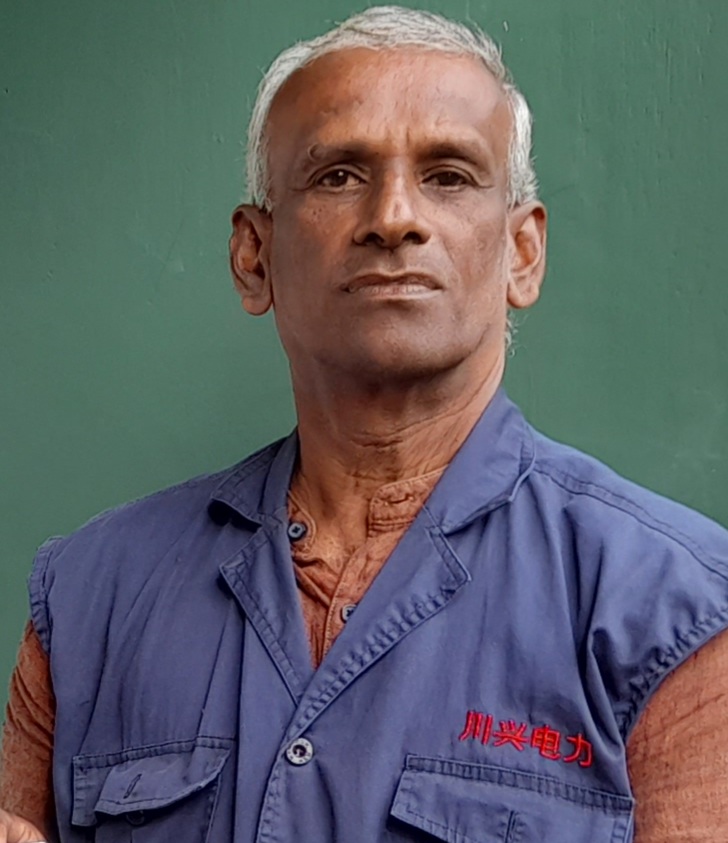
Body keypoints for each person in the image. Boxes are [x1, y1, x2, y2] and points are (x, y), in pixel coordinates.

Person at [1, 6, 728, 842]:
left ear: (522, 253)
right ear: (254, 256)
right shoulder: (90, 596)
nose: (393, 216)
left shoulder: (672, 613)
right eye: (339, 175)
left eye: (448, 175)